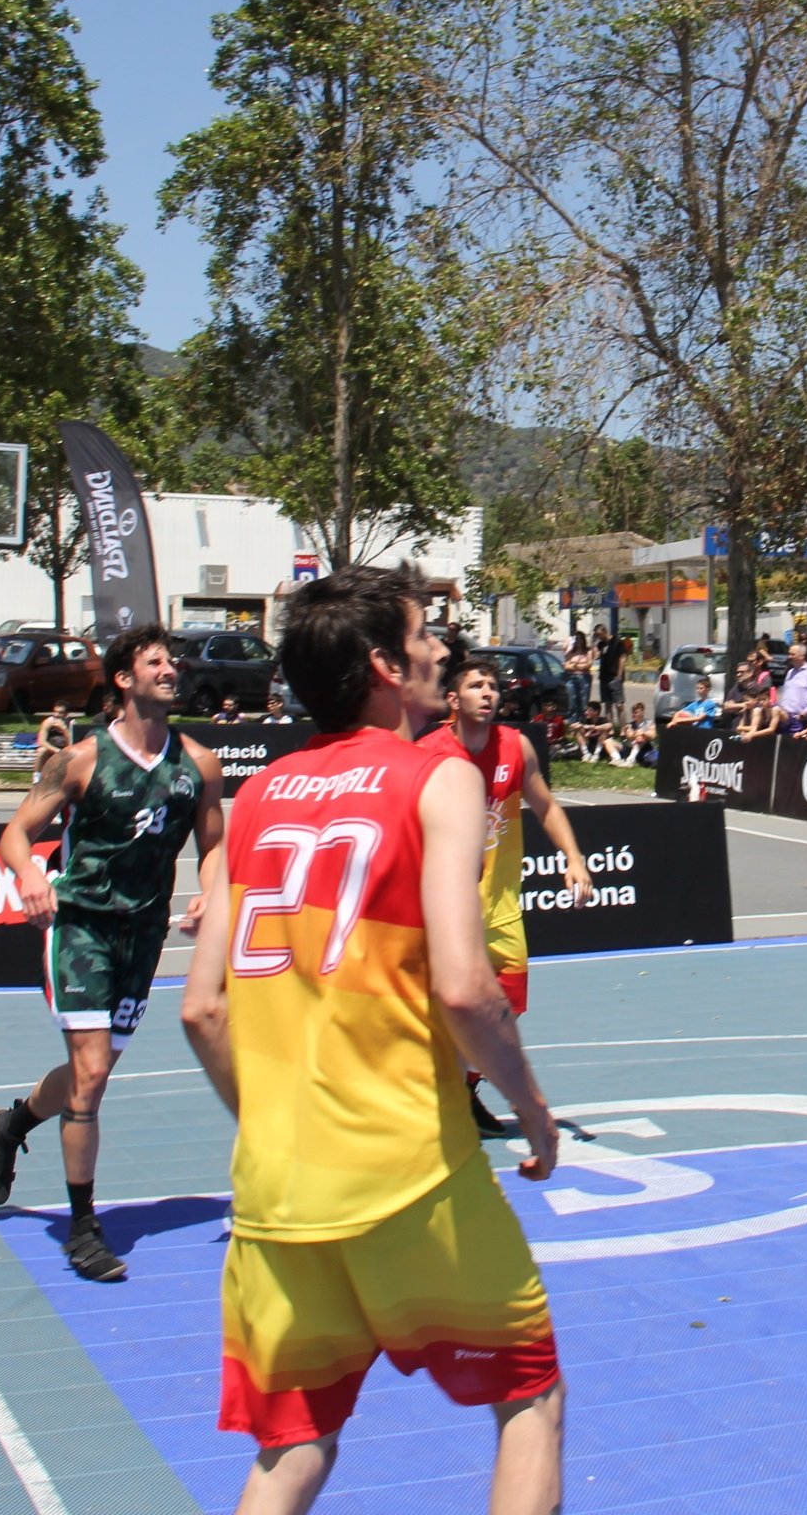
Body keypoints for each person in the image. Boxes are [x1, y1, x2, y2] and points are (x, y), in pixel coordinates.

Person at [177, 565, 566, 1514]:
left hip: (275, 1194)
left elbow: (202, 1010)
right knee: (529, 1399)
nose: (441, 649)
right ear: (387, 666)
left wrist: (268, 1120)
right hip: (407, 1175)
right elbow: (467, 989)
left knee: (295, 1448)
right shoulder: (438, 774)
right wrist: (534, 1112)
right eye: (426, 635)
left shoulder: (258, 796)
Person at [0, 625, 226, 1282]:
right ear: (124, 679)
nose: (170, 669)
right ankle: (83, 1228)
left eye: (172, 661)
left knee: (92, 1073)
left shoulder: (197, 763)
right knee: (90, 1074)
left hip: (141, 935)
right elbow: (14, 832)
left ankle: (10, 1124)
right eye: (155, 661)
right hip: (80, 926)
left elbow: (216, 846)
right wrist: (30, 874)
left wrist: (209, 894)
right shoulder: (83, 760)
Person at [431, 654, 591, 1133]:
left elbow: (545, 807)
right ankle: (437, 1099)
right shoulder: (431, 753)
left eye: (493, 685)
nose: (488, 692)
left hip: (501, 911)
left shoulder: (515, 748)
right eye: (476, 685)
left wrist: (575, 859)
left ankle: (465, 1090)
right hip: (448, 915)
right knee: (448, 1014)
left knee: (506, 1010)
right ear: (452, 699)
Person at [778, 642, 807, 733]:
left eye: (792, 654)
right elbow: (786, 694)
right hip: (786, 718)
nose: (789, 657)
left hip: (802, 720)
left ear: (802, 656)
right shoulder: (790, 672)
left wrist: (806, 712)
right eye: (789, 654)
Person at [32, 705, 75, 786]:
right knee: (41, 751)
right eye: (55, 712)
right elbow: (42, 741)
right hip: (51, 750)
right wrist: (56, 750)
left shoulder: (71, 723)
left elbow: (72, 743)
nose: (56, 715)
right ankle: (36, 779)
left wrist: (64, 729)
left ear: (66, 714)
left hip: (66, 750)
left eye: (60, 713)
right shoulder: (48, 722)